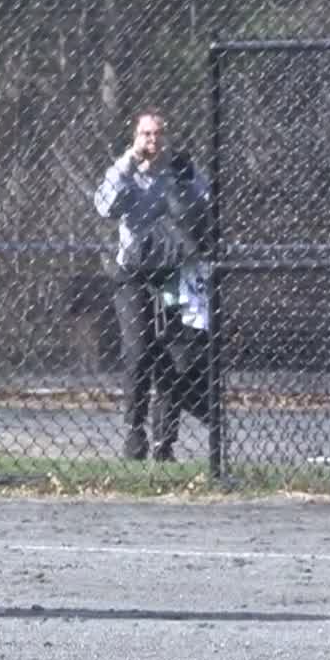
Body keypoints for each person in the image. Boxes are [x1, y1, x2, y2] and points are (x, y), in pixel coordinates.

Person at [94, 111, 213, 461]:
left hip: (173, 272)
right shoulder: (125, 171)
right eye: (146, 134)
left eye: (159, 133)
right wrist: (129, 163)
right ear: (136, 136)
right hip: (134, 272)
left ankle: (164, 443)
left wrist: (186, 180)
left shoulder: (180, 170)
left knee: (175, 358)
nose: (152, 140)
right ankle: (134, 432)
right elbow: (105, 207)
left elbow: (206, 207)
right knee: (139, 351)